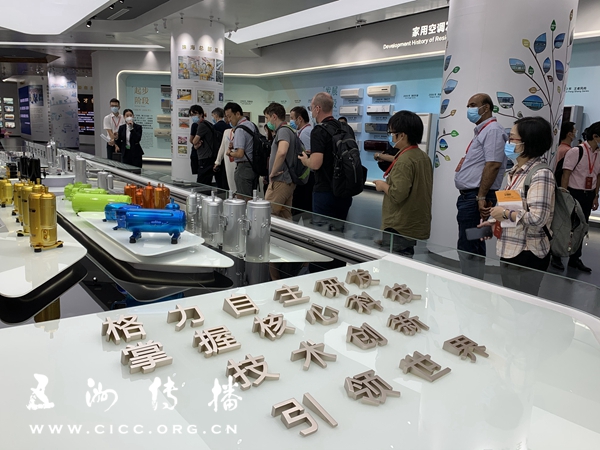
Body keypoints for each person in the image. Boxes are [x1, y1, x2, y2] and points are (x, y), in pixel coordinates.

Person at [478, 117, 555, 296]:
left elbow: (537, 218)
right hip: (510, 248)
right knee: (510, 300)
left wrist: (504, 213)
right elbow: (513, 206)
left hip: (527, 253)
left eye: (512, 138)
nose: (508, 142)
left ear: (527, 142)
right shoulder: (515, 172)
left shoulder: (541, 174)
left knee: (521, 304)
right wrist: (494, 222)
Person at [454, 93, 507, 279]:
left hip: (476, 197)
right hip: (471, 196)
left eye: (473, 105)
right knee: (472, 241)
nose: (469, 109)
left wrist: (481, 196)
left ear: (486, 108)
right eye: (468, 105)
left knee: (470, 244)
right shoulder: (483, 131)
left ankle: (470, 284)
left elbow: (493, 165)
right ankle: (471, 282)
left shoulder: (492, 130)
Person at [373, 111, 433, 256]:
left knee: (392, 262)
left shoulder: (405, 160)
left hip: (399, 225)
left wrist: (383, 185)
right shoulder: (422, 157)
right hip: (411, 222)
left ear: (402, 135)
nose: (391, 137)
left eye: (392, 133)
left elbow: (397, 194)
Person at [298, 92, 355, 228]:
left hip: (325, 191)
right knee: (338, 232)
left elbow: (316, 164)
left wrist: (305, 160)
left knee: (322, 232)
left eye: (311, 107)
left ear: (317, 108)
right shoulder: (346, 128)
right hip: (345, 189)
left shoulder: (319, 130)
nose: (311, 111)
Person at [560, 121, 600, 272]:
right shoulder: (576, 151)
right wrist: (564, 196)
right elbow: (566, 174)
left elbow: (598, 176)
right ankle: (556, 254)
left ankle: (575, 258)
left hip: (588, 194)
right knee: (566, 225)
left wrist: (596, 196)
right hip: (573, 193)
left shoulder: (598, 154)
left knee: (582, 227)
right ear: (595, 136)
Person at [263, 102, 299, 220]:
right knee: (285, 216)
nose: (267, 121)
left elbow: (282, 152)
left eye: (267, 118)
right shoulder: (289, 130)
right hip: (287, 181)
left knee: (268, 214)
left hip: (280, 181)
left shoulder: (283, 131)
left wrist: (273, 172)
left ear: (274, 116)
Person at [550, 120, 577, 270]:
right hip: (562, 190)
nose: (575, 133)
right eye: (574, 130)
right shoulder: (567, 151)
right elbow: (563, 173)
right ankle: (557, 254)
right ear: (569, 133)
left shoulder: (560, 149)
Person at [224, 102, 258, 199]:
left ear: (238, 114)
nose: (229, 120)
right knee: (250, 197)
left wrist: (229, 153)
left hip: (243, 168)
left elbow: (239, 154)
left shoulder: (240, 130)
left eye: (230, 116)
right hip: (253, 166)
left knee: (243, 199)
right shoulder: (252, 125)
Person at [290, 106, 314, 216]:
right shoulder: (304, 131)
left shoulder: (305, 133)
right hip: (307, 175)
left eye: (292, 118)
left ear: (299, 119)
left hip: (306, 175)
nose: (291, 121)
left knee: (302, 206)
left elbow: (307, 153)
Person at [189, 105, 214, 186]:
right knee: (205, 181)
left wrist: (195, 144)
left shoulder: (202, 125)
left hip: (205, 158)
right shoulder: (208, 124)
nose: (193, 116)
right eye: (192, 115)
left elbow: (194, 141)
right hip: (208, 157)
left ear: (201, 114)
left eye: (195, 114)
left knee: (202, 183)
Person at [212, 107, 232, 190]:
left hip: (219, 155)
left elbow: (220, 146)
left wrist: (217, 161)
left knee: (220, 180)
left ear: (216, 115)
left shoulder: (215, 127)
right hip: (228, 157)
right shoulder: (228, 127)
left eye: (213, 115)